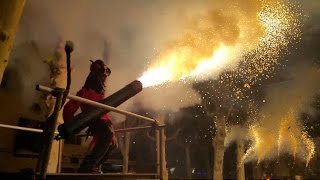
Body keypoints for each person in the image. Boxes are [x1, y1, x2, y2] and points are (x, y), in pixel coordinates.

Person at [62, 59, 117, 173]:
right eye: (102, 76)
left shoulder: (100, 93)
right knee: (107, 135)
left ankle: (94, 166)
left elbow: (104, 112)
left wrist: (112, 131)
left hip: (105, 122)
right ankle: (87, 167)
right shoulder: (85, 91)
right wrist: (71, 126)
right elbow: (69, 108)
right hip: (94, 121)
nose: (104, 79)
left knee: (113, 145)